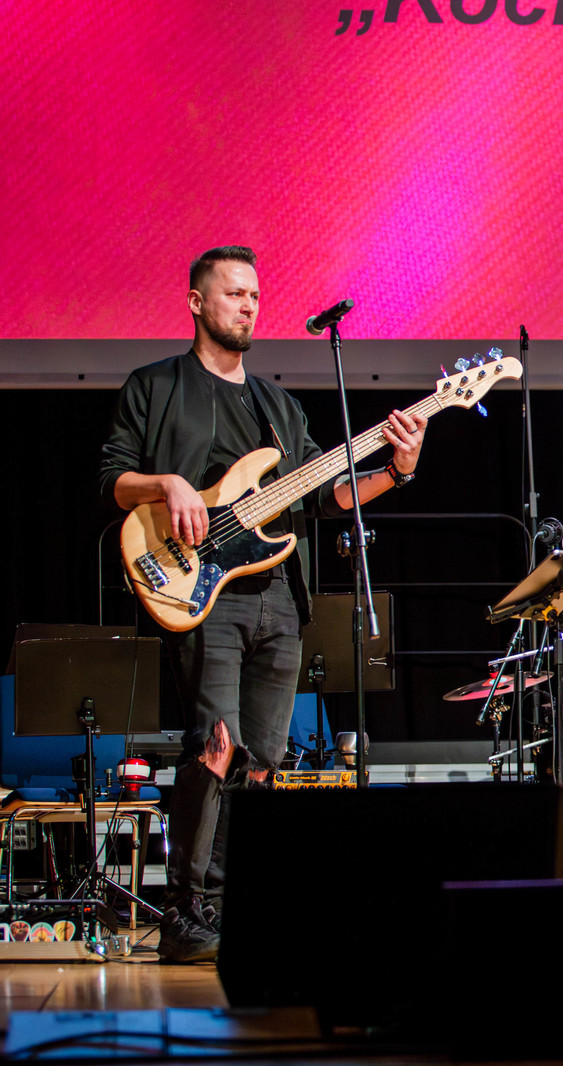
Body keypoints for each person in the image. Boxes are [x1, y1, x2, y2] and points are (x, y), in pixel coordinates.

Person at [97, 246, 428, 962]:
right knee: (215, 747)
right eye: (233, 294)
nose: (248, 306)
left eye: (254, 295)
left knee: (263, 760)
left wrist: (397, 471)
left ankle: (230, 906)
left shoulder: (279, 407)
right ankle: (185, 911)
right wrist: (168, 485)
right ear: (196, 302)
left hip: (279, 596)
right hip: (201, 590)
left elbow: (327, 498)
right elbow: (112, 480)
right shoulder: (154, 385)